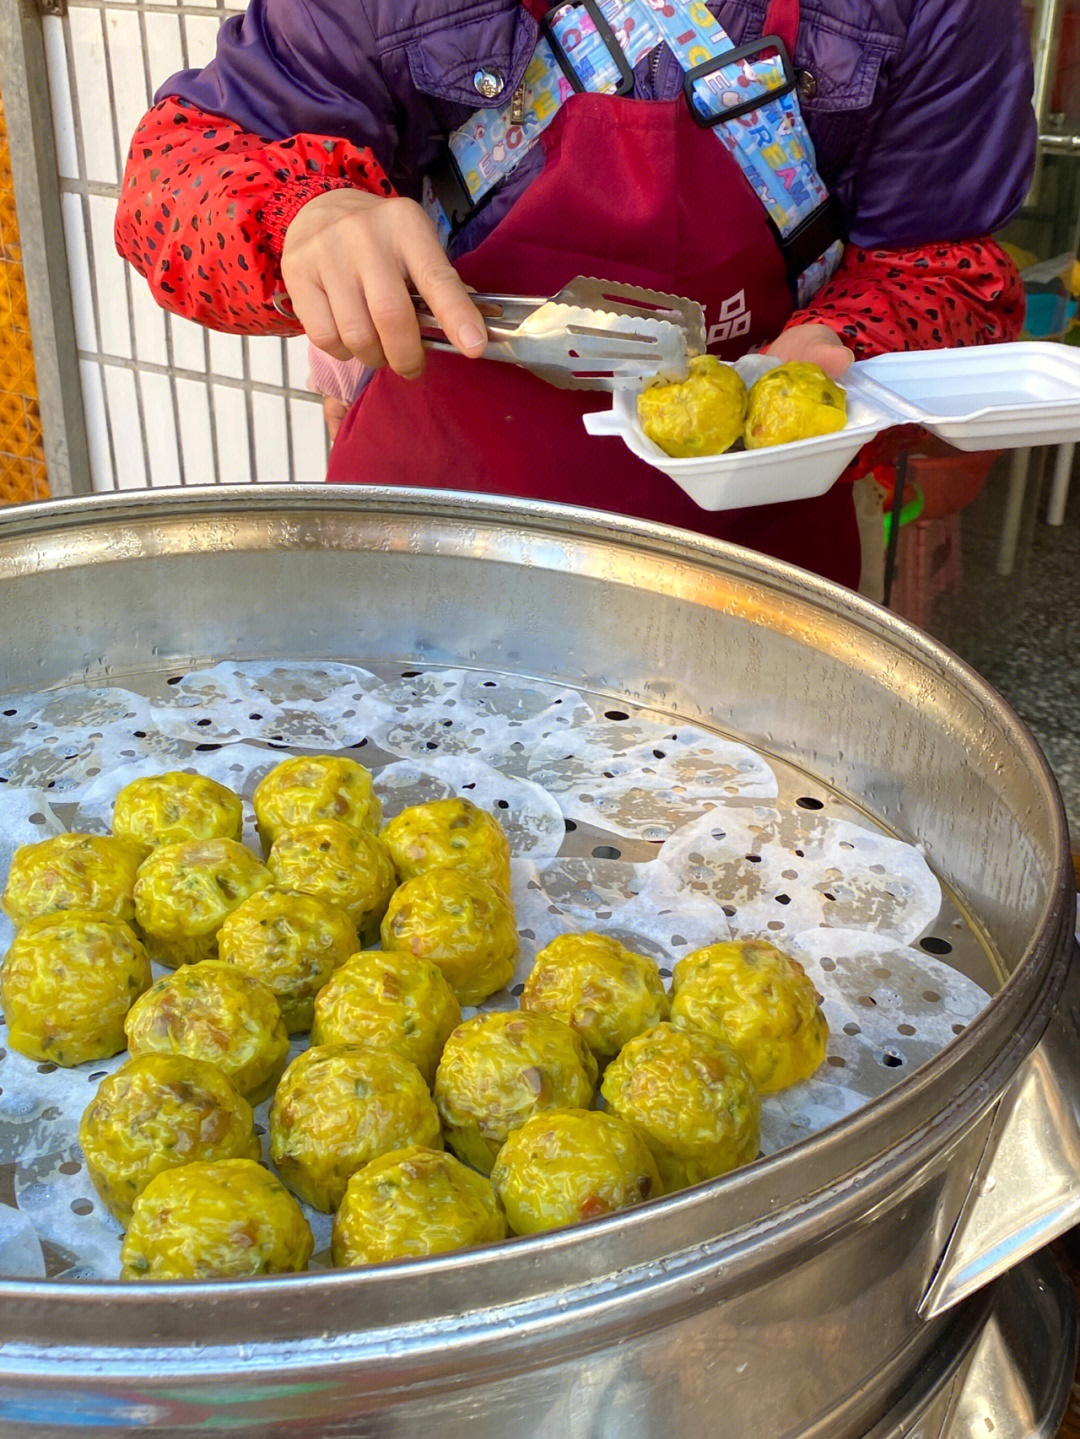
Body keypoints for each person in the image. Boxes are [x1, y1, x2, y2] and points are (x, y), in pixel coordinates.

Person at [115, 0, 1034, 590]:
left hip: (757, 579)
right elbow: (175, 176)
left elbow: (948, 267)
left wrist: (852, 340)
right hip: (425, 544)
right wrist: (301, 220)